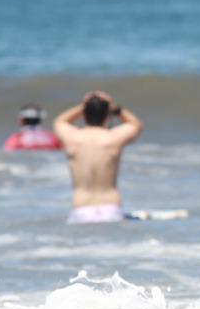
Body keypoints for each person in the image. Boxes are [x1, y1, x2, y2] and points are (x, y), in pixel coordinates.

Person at [53, 91, 143, 223]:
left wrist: (84, 106)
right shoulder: (113, 138)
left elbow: (60, 121)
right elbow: (135, 124)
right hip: (110, 208)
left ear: (84, 115)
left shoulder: (73, 138)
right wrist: (114, 108)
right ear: (107, 116)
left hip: (81, 209)